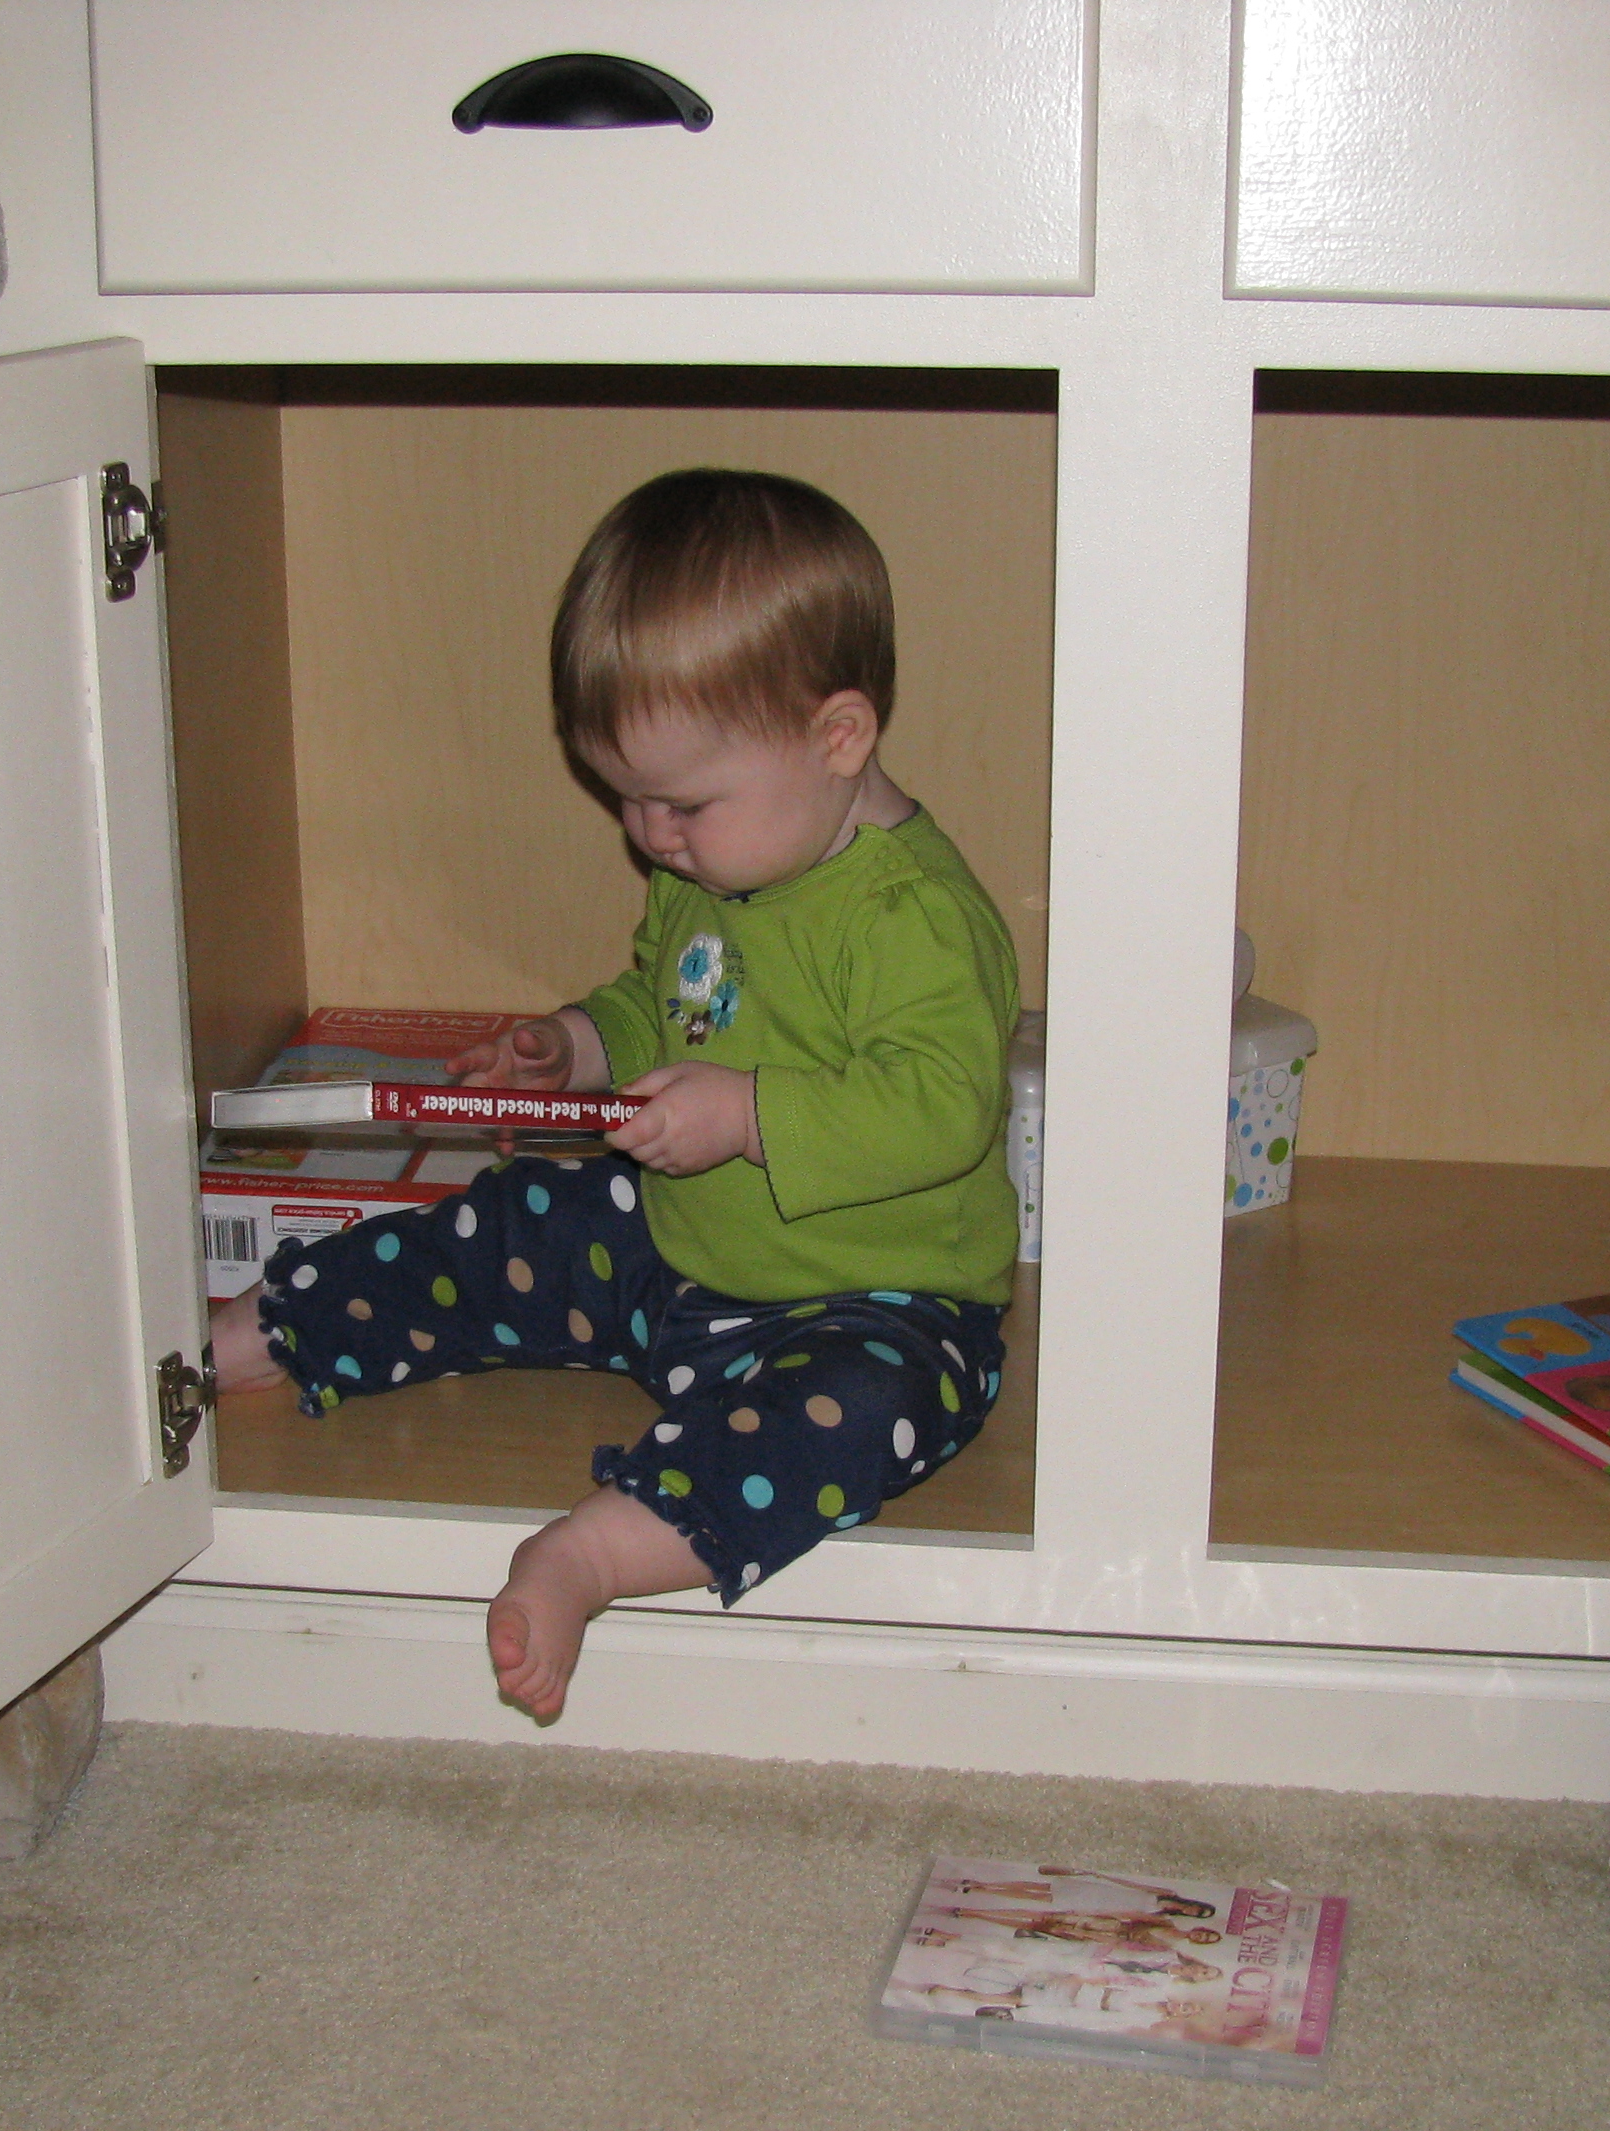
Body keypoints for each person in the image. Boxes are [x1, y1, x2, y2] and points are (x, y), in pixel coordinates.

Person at [214, 468, 1022, 1725]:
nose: (650, 834)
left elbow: (940, 1108)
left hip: (876, 1297)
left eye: (681, 802)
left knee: (864, 1412)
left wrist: (744, 1115)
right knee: (512, 1218)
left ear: (840, 738)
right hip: (681, 1252)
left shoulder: (912, 918)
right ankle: (266, 1329)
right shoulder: (714, 860)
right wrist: (577, 1047)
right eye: (628, 797)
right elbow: (666, 1001)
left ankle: (595, 1553)